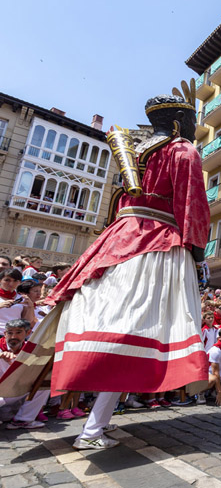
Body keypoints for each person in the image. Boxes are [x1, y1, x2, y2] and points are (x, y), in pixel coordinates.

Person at [0, 92, 210, 449]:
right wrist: (197, 252)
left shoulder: (138, 153)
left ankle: (98, 421)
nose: (194, 129)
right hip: (158, 242)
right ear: (177, 123)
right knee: (139, 333)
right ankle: (92, 430)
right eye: (190, 122)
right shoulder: (182, 151)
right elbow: (192, 204)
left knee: (125, 331)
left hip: (115, 243)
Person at [0, 319, 49, 429]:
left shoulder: (31, 349)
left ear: (27, 333)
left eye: (18, 332)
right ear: (5, 333)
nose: (13, 336)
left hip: (14, 391)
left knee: (44, 385)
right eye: (10, 332)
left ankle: (23, 420)